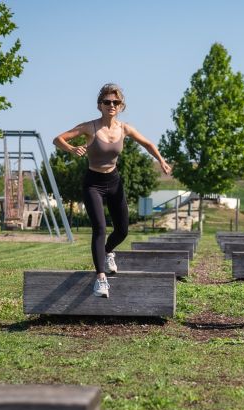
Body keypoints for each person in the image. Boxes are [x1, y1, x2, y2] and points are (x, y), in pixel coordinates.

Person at [53, 83, 171, 297]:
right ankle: (101, 278)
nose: (112, 105)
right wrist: (71, 148)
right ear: (100, 105)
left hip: (114, 182)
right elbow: (58, 139)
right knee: (99, 228)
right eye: (107, 102)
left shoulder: (124, 128)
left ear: (121, 106)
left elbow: (147, 143)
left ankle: (108, 252)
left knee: (123, 230)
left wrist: (161, 160)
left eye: (116, 102)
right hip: (93, 183)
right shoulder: (89, 127)